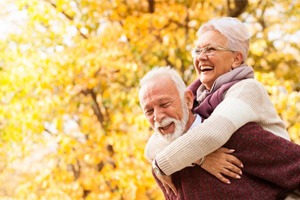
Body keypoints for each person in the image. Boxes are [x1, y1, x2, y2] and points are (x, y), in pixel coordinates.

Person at [139, 66, 300, 199]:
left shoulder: (238, 135)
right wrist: (200, 158)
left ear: (188, 100)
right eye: (149, 111)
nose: (158, 117)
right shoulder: (162, 166)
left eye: (165, 104)